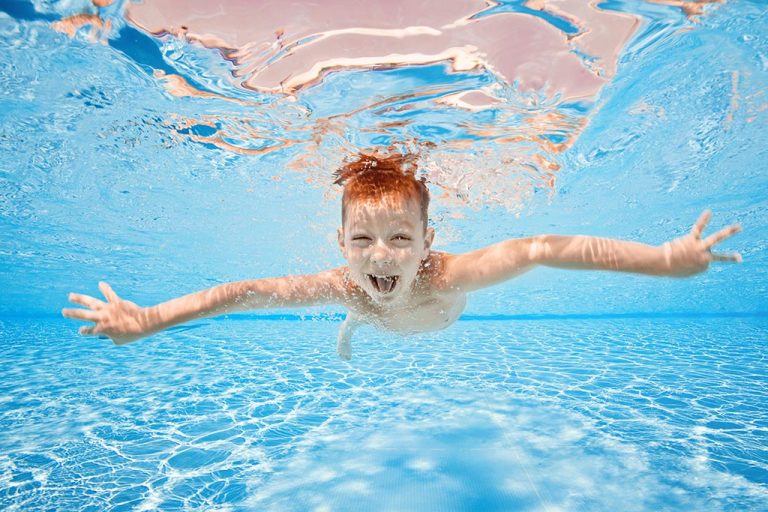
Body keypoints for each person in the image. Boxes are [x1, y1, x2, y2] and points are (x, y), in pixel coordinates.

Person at [62, 152, 742, 360]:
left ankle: (357, 325)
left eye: (399, 240)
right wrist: (149, 318)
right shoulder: (345, 281)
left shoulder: (450, 274)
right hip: (370, 312)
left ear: (426, 245)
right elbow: (236, 293)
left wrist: (662, 259)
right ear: (341, 245)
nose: (380, 253)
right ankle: (352, 329)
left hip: (440, 314)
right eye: (362, 240)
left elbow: (539, 247)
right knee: (361, 309)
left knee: (371, 305)